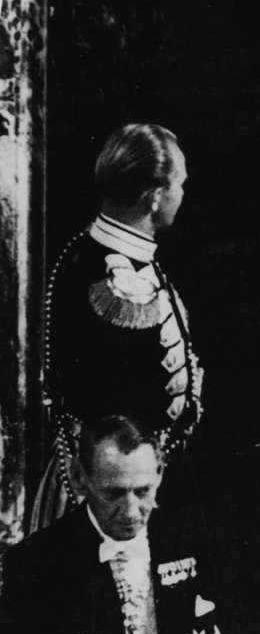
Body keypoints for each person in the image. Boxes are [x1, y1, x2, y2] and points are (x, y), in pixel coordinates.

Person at [0, 416, 242, 634]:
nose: (131, 511)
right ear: (80, 478)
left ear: (159, 472)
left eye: (143, 491)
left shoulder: (199, 538)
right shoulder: (37, 560)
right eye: (114, 493)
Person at [30, 124, 203, 531]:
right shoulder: (106, 274)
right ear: (155, 196)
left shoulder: (108, 254)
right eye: (179, 182)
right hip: (109, 493)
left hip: (137, 482)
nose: (182, 193)